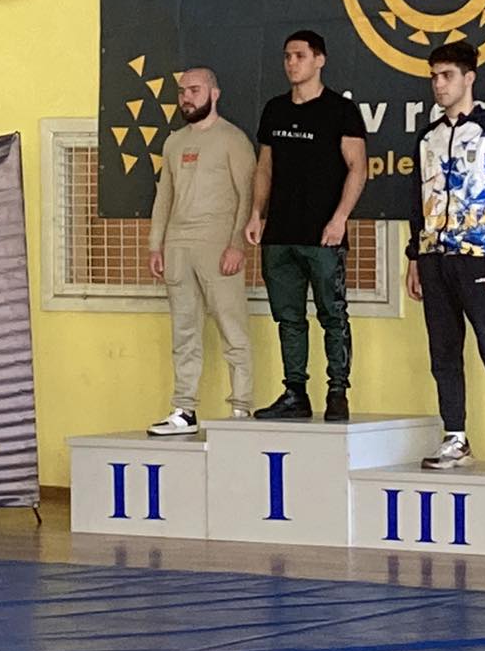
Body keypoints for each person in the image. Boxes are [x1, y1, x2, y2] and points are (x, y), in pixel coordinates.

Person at [405, 41, 485, 474]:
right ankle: (455, 437)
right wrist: (414, 256)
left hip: (480, 257)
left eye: (447, 76)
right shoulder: (427, 137)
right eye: (434, 77)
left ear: (469, 78)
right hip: (434, 258)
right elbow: (417, 200)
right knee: (443, 353)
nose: (438, 85)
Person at [245, 30, 367, 422]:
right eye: (287, 56)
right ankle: (295, 392)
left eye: (299, 55)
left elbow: (358, 167)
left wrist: (340, 218)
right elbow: (265, 167)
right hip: (280, 233)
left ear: (319, 60)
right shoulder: (275, 110)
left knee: (333, 314)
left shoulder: (340, 110)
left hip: (323, 234)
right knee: (288, 317)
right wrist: (256, 214)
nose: (291, 63)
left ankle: (337, 391)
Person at [146, 67, 256, 436]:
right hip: (178, 246)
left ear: (214, 93)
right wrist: (156, 245)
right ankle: (184, 410)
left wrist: (237, 244)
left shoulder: (233, 139)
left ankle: (241, 409)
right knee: (184, 331)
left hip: (218, 244)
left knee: (232, 327)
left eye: (195, 90)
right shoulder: (174, 143)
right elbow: (164, 197)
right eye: (182, 92)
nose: (187, 98)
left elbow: (248, 195)